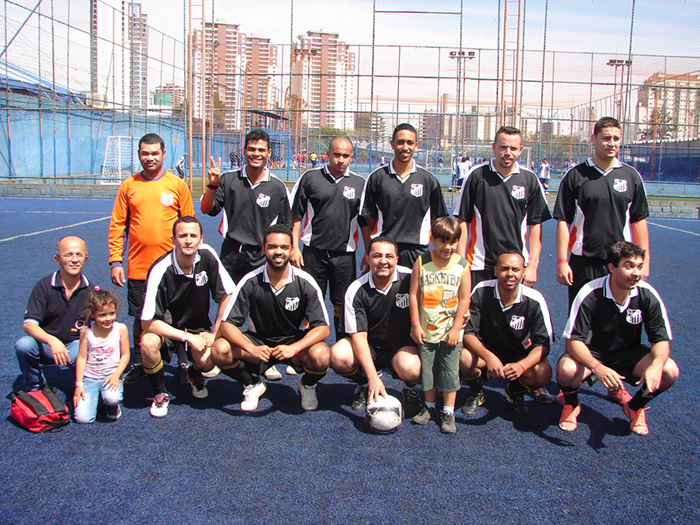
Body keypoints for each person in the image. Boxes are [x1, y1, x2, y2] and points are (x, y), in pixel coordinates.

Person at [557, 242, 678, 435]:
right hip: (594, 352)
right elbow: (573, 341)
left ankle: (635, 406)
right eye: (629, 266)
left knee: (669, 370)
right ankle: (571, 403)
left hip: (629, 353)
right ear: (612, 267)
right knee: (567, 369)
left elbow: (661, 340)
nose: (636, 273)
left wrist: (656, 364)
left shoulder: (647, 294)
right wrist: (598, 368)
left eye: (639, 266)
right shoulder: (590, 292)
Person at [212, 224, 331, 412]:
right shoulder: (250, 280)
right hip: (259, 341)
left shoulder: (305, 282)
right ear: (263, 249)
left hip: (294, 342)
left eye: (284, 247)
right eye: (272, 246)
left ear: (292, 249)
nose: (278, 252)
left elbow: (323, 328)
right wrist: (251, 348)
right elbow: (227, 326)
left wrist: (294, 348)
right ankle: (252, 383)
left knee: (321, 355)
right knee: (220, 349)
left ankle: (307, 385)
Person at [108, 133, 195, 385]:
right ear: (139, 155)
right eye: (145, 153)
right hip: (139, 267)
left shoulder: (177, 185)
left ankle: (183, 363)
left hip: (173, 267)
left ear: (163, 154)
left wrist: (190, 261)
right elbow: (117, 225)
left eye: (155, 153)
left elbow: (189, 226)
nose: (150, 158)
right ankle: (139, 362)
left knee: (178, 316)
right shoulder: (129, 186)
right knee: (140, 316)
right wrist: (115, 261)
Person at [139, 216, 236, 418]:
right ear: (173, 239)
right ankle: (160, 392)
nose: (188, 240)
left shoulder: (207, 254)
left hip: (197, 328)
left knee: (209, 361)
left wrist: (215, 334)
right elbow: (147, 322)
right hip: (167, 330)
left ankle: (193, 373)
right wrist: (187, 337)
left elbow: (228, 294)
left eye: (193, 235)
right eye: (183, 235)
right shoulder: (159, 269)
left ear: (201, 239)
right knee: (147, 342)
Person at [554, 116, 650, 308]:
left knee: (617, 317)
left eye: (616, 138)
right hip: (584, 261)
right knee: (580, 318)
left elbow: (638, 220)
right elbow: (564, 221)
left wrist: (644, 261)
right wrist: (562, 261)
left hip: (622, 261)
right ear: (593, 139)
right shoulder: (576, 176)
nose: (611, 143)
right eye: (606, 138)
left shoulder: (631, 176)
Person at [330, 237, 422, 417]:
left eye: (389, 256)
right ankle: (364, 383)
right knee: (338, 355)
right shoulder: (356, 289)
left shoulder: (411, 279)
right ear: (367, 258)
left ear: (397, 259)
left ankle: (410, 388)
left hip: (401, 346)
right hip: (369, 346)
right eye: (377, 256)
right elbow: (359, 338)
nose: (383, 261)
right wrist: (372, 377)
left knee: (412, 368)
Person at [454, 125, 551, 289]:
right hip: (480, 264)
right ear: (494, 147)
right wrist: (460, 262)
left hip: (516, 266)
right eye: (503, 147)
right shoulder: (476, 176)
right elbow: (463, 222)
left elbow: (535, 225)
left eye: (513, 148)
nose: (508, 152)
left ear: (520, 150)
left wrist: (533, 265)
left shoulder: (530, 179)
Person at [290, 136, 366, 342]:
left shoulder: (359, 183)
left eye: (345, 156)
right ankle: (307, 347)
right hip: (313, 253)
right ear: (327, 155)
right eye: (336, 154)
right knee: (309, 300)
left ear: (351, 157)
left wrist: (368, 252)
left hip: (344, 255)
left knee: (342, 303)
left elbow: (365, 222)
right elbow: (296, 216)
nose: (341, 159)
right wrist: (294, 247)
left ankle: (342, 345)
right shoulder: (310, 178)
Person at [460, 251, 554, 416]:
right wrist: (489, 357)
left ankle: (515, 390)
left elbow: (543, 344)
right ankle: (476, 391)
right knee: (463, 358)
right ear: (496, 270)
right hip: (486, 352)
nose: (510, 274)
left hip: (518, 354)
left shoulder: (535, 299)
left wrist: (522, 365)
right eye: (504, 268)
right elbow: (468, 333)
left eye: (515, 269)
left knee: (543, 373)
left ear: (523, 272)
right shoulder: (481, 290)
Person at [201, 128, 292, 284]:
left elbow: (286, 226)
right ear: (244, 150)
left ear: (269, 153)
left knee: (262, 298)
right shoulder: (228, 179)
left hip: (263, 255)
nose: (256, 154)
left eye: (261, 150)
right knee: (230, 298)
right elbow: (207, 209)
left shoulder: (277, 187)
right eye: (251, 149)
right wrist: (213, 185)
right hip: (232, 254)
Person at [408, 218, 471, 433]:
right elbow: (413, 294)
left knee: (450, 371)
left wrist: (456, 329)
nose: (448, 247)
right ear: (432, 239)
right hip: (426, 330)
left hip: (451, 332)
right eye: (443, 241)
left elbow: (465, 298)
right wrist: (416, 324)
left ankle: (448, 411)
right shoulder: (421, 261)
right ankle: (429, 406)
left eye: (453, 242)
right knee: (428, 370)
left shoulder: (462, 265)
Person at [359, 123, 447, 268]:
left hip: (417, 251)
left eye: (410, 143)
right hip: (385, 251)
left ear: (416, 145)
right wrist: (372, 248)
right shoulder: (377, 178)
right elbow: (368, 217)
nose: (405, 147)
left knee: (416, 285)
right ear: (392, 144)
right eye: (400, 142)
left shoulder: (428, 180)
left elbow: (438, 219)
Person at [15, 236, 96, 392]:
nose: (74, 260)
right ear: (57, 259)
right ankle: (35, 388)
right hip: (46, 345)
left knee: (89, 347)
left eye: (79, 255)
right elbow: (29, 325)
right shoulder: (43, 286)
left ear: (85, 259)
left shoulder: (91, 291)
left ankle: (80, 385)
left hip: (75, 346)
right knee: (24, 345)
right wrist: (51, 341)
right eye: (68, 255)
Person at [73, 289, 130, 423]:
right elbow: (81, 358)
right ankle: (95, 400)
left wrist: (116, 375)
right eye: (102, 315)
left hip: (110, 376)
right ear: (93, 315)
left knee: (112, 398)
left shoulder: (120, 329)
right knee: (83, 419)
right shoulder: (86, 331)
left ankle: (111, 405)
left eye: (112, 313)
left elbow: (125, 355)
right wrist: (79, 384)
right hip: (90, 378)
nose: (108, 318)